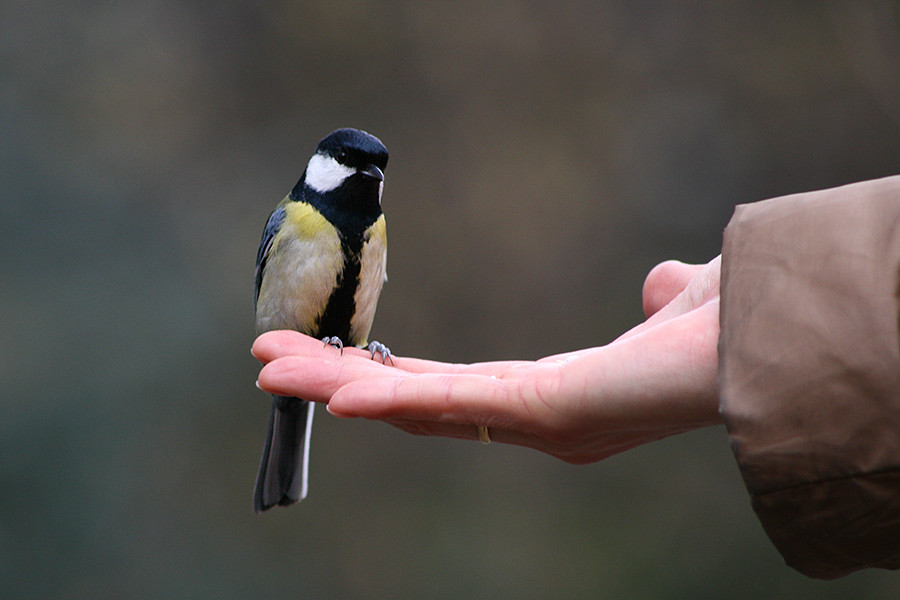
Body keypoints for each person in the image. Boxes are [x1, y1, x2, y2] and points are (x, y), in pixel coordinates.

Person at [252, 175, 900, 580]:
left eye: (378, 168)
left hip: (352, 341)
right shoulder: (292, 215)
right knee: (298, 371)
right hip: (297, 342)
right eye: (353, 163)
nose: (369, 176)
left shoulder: (378, 223)